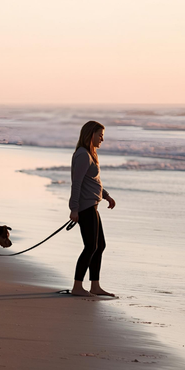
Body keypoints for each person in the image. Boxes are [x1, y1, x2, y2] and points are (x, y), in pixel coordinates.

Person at [68, 121, 116, 297]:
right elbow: (77, 183)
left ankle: (95, 286)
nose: (102, 138)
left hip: (92, 206)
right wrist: (74, 208)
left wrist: (106, 195)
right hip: (85, 208)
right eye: (100, 134)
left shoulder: (89, 154)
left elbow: (93, 183)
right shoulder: (82, 155)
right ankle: (77, 287)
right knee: (90, 247)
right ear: (91, 134)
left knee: (99, 245)